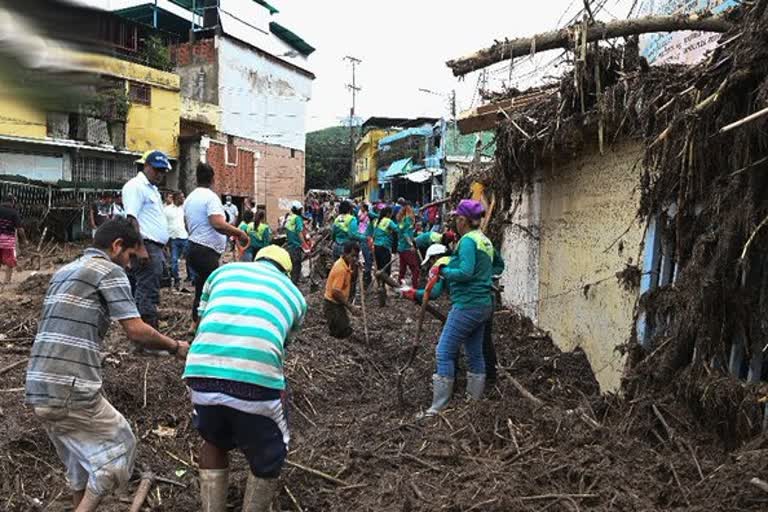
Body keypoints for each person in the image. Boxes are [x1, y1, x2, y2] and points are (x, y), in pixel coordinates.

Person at [25, 218, 189, 512]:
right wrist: (176, 347)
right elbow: (136, 330)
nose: (129, 266)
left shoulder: (64, 271)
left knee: (79, 461)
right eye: (129, 257)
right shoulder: (109, 270)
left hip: (38, 384)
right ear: (117, 247)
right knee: (121, 448)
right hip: (70, 386)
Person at [183, 245, 306, 512]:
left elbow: (204, 318)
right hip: (256, 378)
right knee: (271, 450)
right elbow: (282, 344)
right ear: (286, 272)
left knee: (213, 440)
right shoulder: (295, 296)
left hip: (200, 371)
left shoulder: (222, 273)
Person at [415, 200, 495, 417]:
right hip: (483, 304)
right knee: (474, 353)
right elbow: (499, 265)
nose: (454, 222)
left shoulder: (468, 241)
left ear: (462, 220)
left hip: (467, 305)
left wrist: (444, 271)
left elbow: (466, 272)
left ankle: (438, 407)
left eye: (456, 218)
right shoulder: (484, 240)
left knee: (444, 351)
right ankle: (473, 401)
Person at [184, 163, 248, 324]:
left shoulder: (190, 198)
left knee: (201, 287)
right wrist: (239, 233)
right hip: (206, 251)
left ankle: (196, 321)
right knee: (212, 288)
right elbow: (217, 223)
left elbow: (187, 224)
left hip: (193, 247)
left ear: (196, 178)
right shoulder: (210, 197)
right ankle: (208, 324)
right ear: (213, 179)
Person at [121, 150, 172, 328]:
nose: (160, 174)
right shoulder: (136, 186)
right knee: (146, 291)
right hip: (146, 246)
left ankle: (142, 332)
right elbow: (131, 219)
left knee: (146, 288)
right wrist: (140, 247)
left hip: (154, 246)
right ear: (147, 166)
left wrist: (163, 245)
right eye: (157, 170)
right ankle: (148, 335)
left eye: (163, 171)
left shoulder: (152, 189)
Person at [324, 241, 360, 339]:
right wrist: (350, 307)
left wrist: (356, 267)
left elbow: (352, 278)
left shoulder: (347, 264)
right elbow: (335, 292)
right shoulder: (340, 268)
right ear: (345, 254)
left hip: (338, 304)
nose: (354, 259)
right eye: (352, 256)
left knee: (345, 328)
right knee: (341, 332)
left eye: (356, 256)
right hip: (332, 304)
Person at [164, 191, 189, 290]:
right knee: (174, 260)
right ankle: (176, 279)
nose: (183, 199)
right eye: (181, 197)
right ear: (175, 198)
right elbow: (164, 224)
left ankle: (191, 278)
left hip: (184, 236)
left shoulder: (184, 209)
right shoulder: (167, 210)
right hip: (173, 238)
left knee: (190, 259)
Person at [0, 195, 25, 285]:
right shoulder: (14, 213)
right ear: (12, 202)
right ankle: (6, 281)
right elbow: (20, 229)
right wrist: (24, 240)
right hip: (7, 240)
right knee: (9, 260)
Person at [396, 203, 419, 288]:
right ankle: (415, 287)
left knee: (402, 269)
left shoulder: (401, 221)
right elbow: (406, 234)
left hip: (401, 247)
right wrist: (411, 245)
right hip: (406, 248)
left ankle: (398, 286)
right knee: (415, 268)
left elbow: (401, 233)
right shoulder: (408, 220)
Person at [284, 201, 306, 284]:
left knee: (291, 266)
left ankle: (290, 282)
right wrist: (304, 244)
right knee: (297, 267)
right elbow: (299, 232)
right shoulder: (297, 219)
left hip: (289, 246)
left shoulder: (290, 217)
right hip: (296, 246)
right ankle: (293, 285)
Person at [372, 206, 396, 279]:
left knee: (379, 267)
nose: (392, 215)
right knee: (386, 268)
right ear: (388, 214)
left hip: (376, 246)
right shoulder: (388, 221)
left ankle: (379, 285)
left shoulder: (376, 221)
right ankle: (384, 285)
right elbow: (397, 229)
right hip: (384, 246)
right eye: (391, 213)